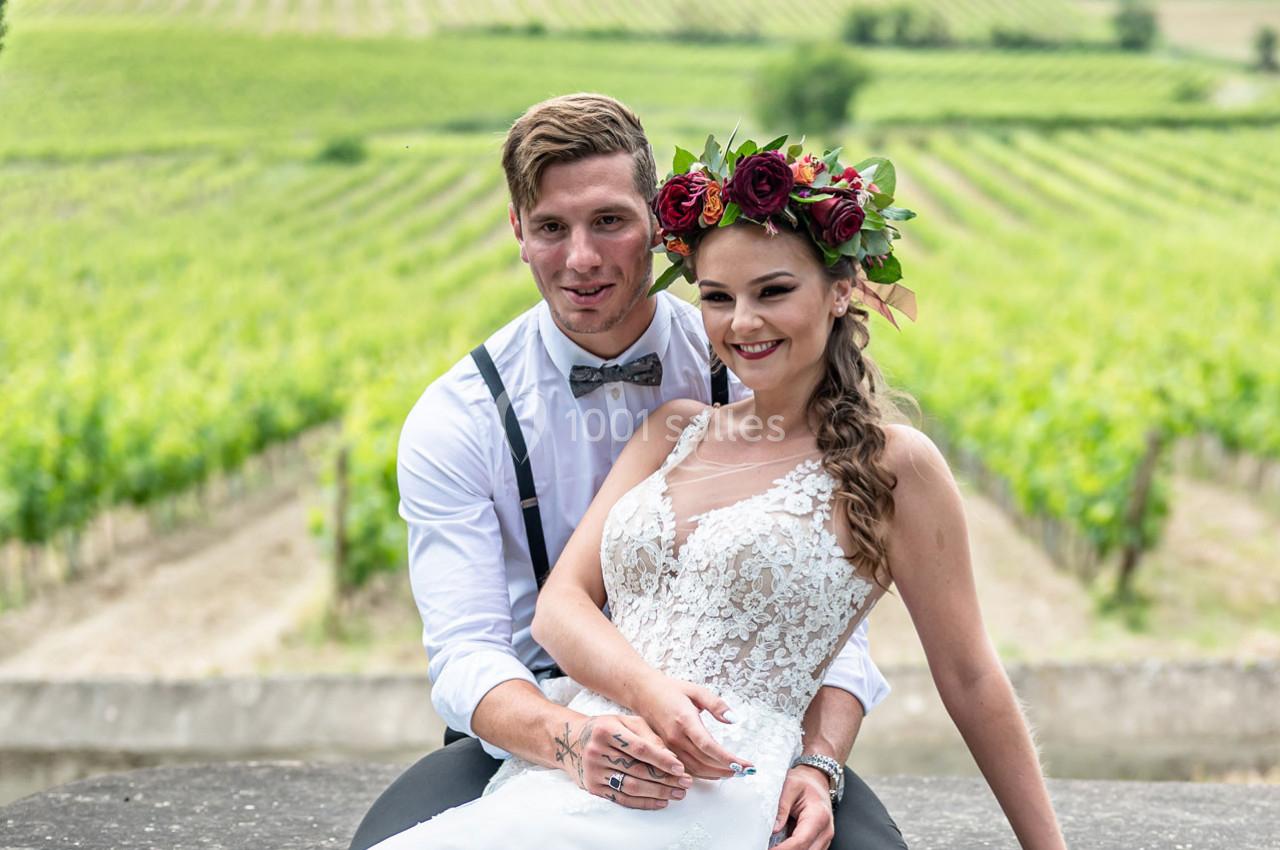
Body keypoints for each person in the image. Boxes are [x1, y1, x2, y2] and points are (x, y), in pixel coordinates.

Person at [360, 129, 1068, 848]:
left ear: (657, 227)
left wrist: (819, 761)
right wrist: (589, 729)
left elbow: (837, 615)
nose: (582, 257)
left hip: (745, 753)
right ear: (519, 231)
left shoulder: (879, 456)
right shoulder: (487, 417)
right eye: (551, 227)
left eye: (608, 221)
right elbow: (477, 645)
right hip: (532, 719)